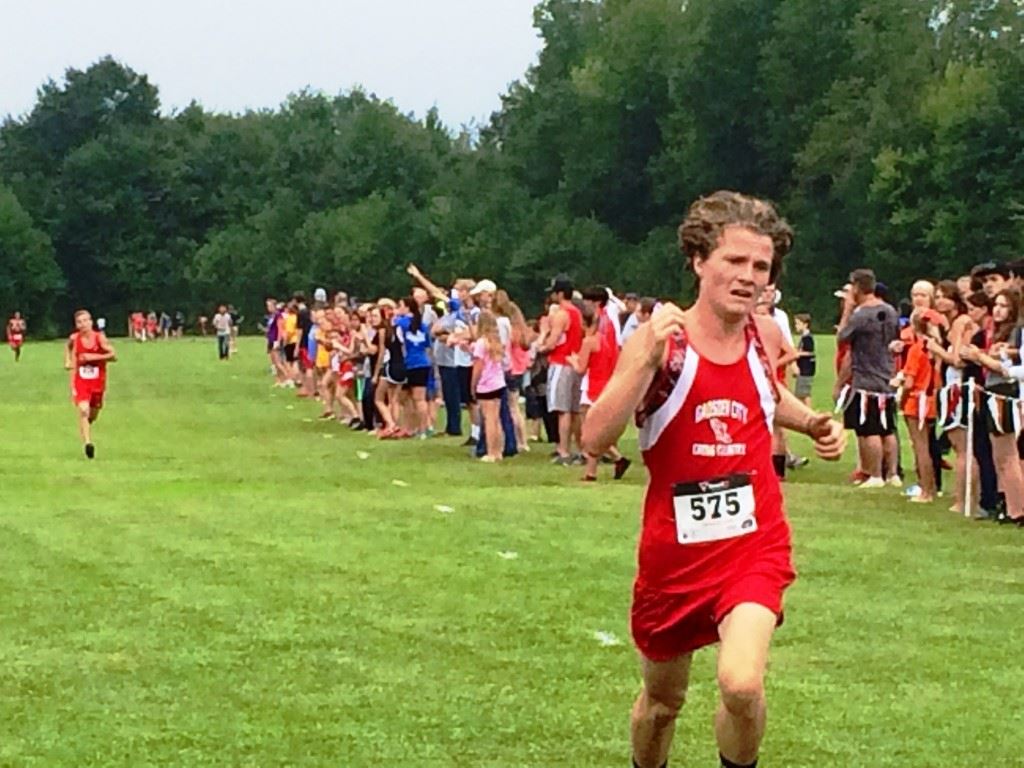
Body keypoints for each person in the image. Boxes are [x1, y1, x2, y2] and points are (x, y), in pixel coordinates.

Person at [581, 191, 845, 768]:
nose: (749, 277)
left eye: (760, 267)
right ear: (700, 260)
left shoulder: (759, 336)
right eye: (735, 261)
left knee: (741, 684)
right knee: (661, 703)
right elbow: (593, 439)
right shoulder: (660, 342)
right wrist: (644, 361)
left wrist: (811, 423)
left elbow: (762, 391)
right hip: (673, 557)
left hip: (752, 545)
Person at [837, 269, 901, 489]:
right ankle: (892, 473)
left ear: (856, 287)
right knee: (887, 429)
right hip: (887, 374)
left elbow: (842, 337)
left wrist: (847, 310)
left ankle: (874, 474)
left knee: (869, 428)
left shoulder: (862, 314)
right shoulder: (890, 311)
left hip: (866, 379)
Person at [537, 274, 584, 465]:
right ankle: (579, 448)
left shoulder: (561, 314)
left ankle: (563, 450)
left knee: (561, 409)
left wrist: (541, 341)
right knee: (573, 410)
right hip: (574, 361)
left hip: (560, 362)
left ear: (560, 293)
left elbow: (552, 342)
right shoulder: (577, 313)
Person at [64, 310, 117, 459]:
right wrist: (68, 360)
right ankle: (88, 444)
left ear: (91, 322)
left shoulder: (99, 338)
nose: (83, 324)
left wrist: (93, 357)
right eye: (79, 322)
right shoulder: (74, 338)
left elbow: (113, 356)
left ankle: (86, 426)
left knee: (92, 415)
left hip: (97, 382)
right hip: (81, 381)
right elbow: (68, 346)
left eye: (85, 321)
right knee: (83, 410)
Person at [793, 313, 815, 407]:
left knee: (805, 393)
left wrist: (797, 354)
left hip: (806, 369)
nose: (796, 326)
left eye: (798, 324)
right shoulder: (804, 337)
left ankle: (809, 412)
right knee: (800, 393)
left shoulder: (808, 338)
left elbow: (810, 352)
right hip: (803, 368)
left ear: (805, 324)